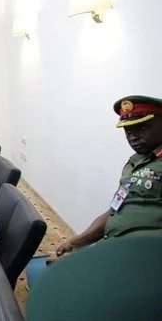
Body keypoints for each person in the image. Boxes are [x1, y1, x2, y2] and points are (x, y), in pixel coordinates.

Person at [56, 95, 162, 256]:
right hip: (112, 247)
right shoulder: (134, 161)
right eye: (128, 130)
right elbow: (115, 209)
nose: (133, 137)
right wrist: (75, 242)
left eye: (142, 128)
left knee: (58, 274)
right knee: (55, 264)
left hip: (142, 257)